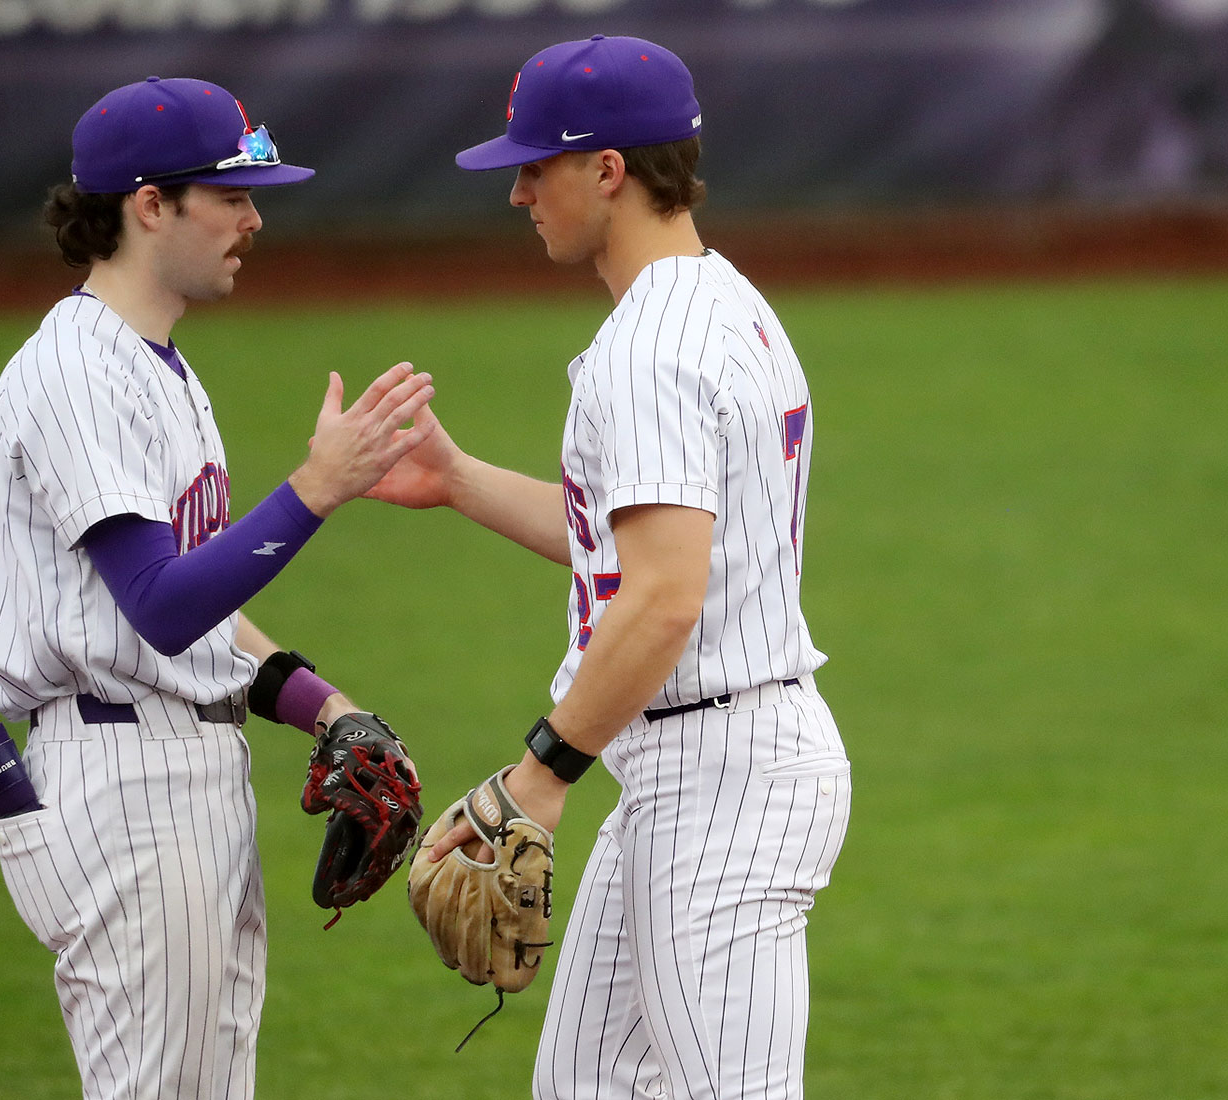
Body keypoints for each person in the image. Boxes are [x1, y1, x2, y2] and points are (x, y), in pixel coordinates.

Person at [368, 35, 853, 1100]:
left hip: (724, 779)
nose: (518, 192)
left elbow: (667, 595)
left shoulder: (649, 350)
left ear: (609, 170)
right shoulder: (721, 299)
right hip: (695, 764)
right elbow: (641, 547)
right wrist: (456, 478)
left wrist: (540, 773)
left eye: (534, 165)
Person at [0, 76, 433, 1100]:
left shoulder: (161, 369)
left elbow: (207, 612)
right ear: (150, 204)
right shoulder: (74, 371)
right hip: (121, 780)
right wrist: (315, 488)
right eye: (230, 196)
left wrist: (330, 707)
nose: (254, 218)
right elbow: (163, 603)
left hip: (176, 770)